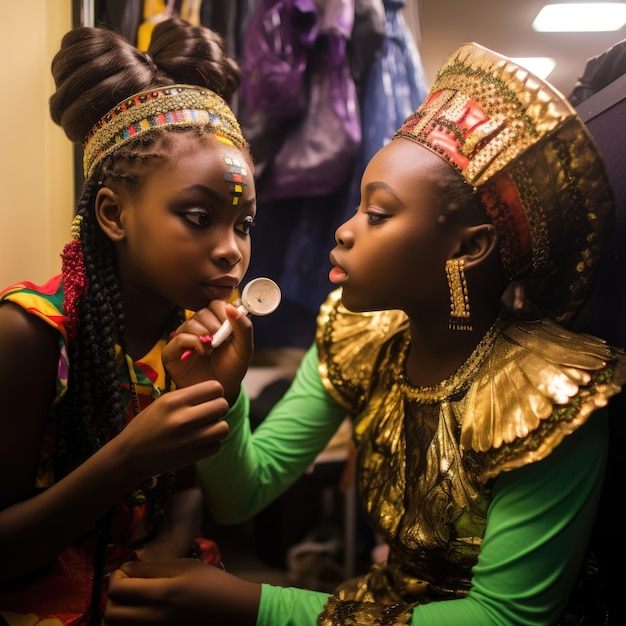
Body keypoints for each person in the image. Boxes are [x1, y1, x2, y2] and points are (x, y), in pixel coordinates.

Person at [103, 43, 626, 625]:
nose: (344, 230)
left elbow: (504, 620)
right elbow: (244, 493)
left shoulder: (549, 395)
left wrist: (257, 604)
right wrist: (223, 395)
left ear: (468, 247)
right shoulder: (362, 335)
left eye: (377, 214)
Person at [0, 17, 256, 625]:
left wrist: (216, 394)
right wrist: (131, 456)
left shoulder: (196, 336)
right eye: (199, 217)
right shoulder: (31, 333)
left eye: (243, 224)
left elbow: (188, 497)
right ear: (114, 214)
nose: (232, 250)